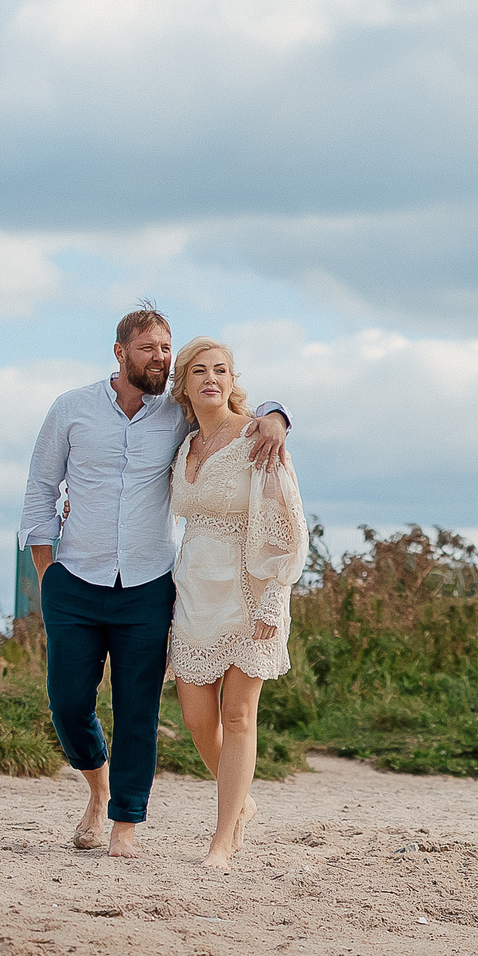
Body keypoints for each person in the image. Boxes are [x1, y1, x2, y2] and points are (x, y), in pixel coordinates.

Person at [20, 303, 292, 858]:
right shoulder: (70, 409)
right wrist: (47, 572)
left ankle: (125, 823)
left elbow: (229, 403)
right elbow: (40, 489)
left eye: (167, 349)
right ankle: (98, 789)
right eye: (148, 348)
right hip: (74, 577)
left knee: (139, 707)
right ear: (119, 353)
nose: (161, 359)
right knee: (69, 704)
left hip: (148, 583)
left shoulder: (176, 416)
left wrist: (276, 414)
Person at [164, 336, 304, 870]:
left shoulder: (257, 439)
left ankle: (222, 840)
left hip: (250, 593)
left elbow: (286, 527)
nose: (211, 379)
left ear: (232, 379)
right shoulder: (183, 445)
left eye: (221, 370)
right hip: (196, 594)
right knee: (198, 719)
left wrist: (273, 600)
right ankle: (241, 805)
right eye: (198, 371)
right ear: (184, 384)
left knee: (239, 714)